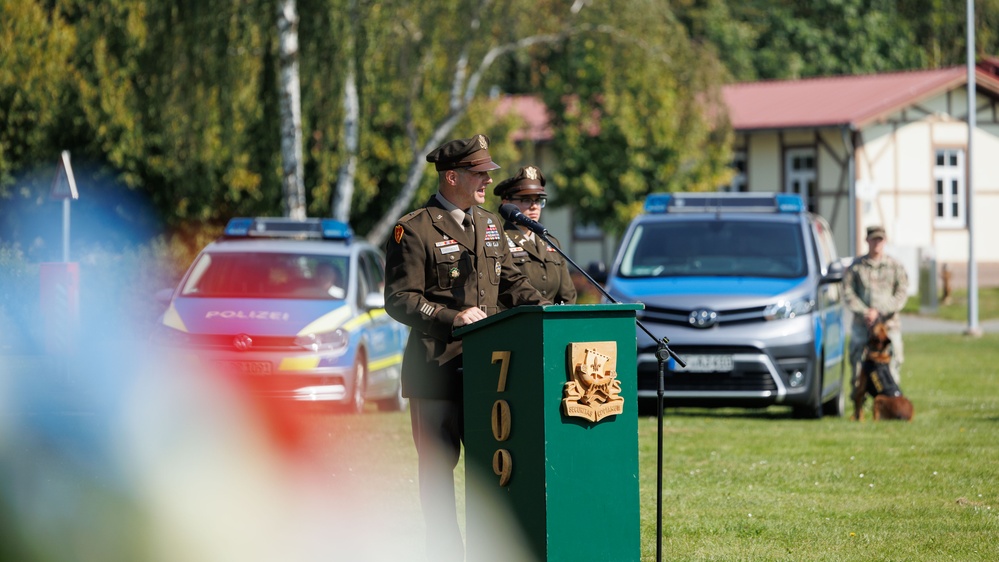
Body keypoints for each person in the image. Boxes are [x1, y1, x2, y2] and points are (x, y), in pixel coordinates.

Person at [382, 134, 548, 561]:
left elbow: (512, 282)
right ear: (452, 176)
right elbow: (399, 299)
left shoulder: (490, 224)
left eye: (488, 175)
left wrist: (548, 312)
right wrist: (450, 318)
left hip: (490, 373)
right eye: (479, 174)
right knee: (437, 475)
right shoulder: (414, 228)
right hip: (436, 370)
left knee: (493, 472)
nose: (487, 183)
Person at [493, 165, 577, 306]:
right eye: (526, 200)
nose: (534, 206)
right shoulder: (498, 241)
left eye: (538, 200)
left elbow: (567, 295)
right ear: (506, 203)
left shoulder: (551, 242)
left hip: (550, 323)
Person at [844, 225, 909, 387]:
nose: (877, 243)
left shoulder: (895, 266)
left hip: (888, 325)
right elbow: (847, 292)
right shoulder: (857, 266)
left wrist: (880, 312)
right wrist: (866, 312)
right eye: (873, 239)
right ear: (867, 240)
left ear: (885, 241)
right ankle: (859, 406)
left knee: (892, 365)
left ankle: (890, 400)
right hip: (863, 325)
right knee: (858, 367)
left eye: (880, 239)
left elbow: (901, 293)